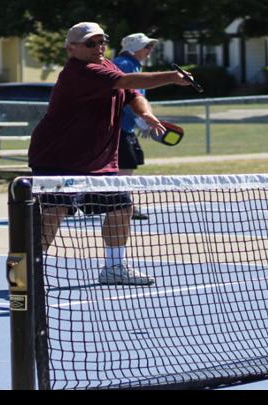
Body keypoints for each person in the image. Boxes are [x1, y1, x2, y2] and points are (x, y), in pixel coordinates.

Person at [28, 22, 191, 286]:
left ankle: (114, 267)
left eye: (102, 41)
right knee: (54, 211)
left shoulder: (107, 65)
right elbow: (127, 81)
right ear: (71, 49)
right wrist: (172, 78)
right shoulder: (80, 72)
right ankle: (31, 270)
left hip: (98, 161)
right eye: (90, 43)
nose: (98, 47)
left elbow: (131, 94)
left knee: (121, 208)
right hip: (57, 157)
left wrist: (146, 114)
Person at [112, 32, 166, 221]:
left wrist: (141, 121)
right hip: (116, 128)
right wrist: (142, 121)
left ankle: (120, 203)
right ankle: (124, 205)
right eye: (146, 46)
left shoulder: (133, 64)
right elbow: (126, 96)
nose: (150, 50)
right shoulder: (125, 64)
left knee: (124, 165)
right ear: (134, 48)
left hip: (125, 127)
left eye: (150, 46)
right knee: (124, 166)